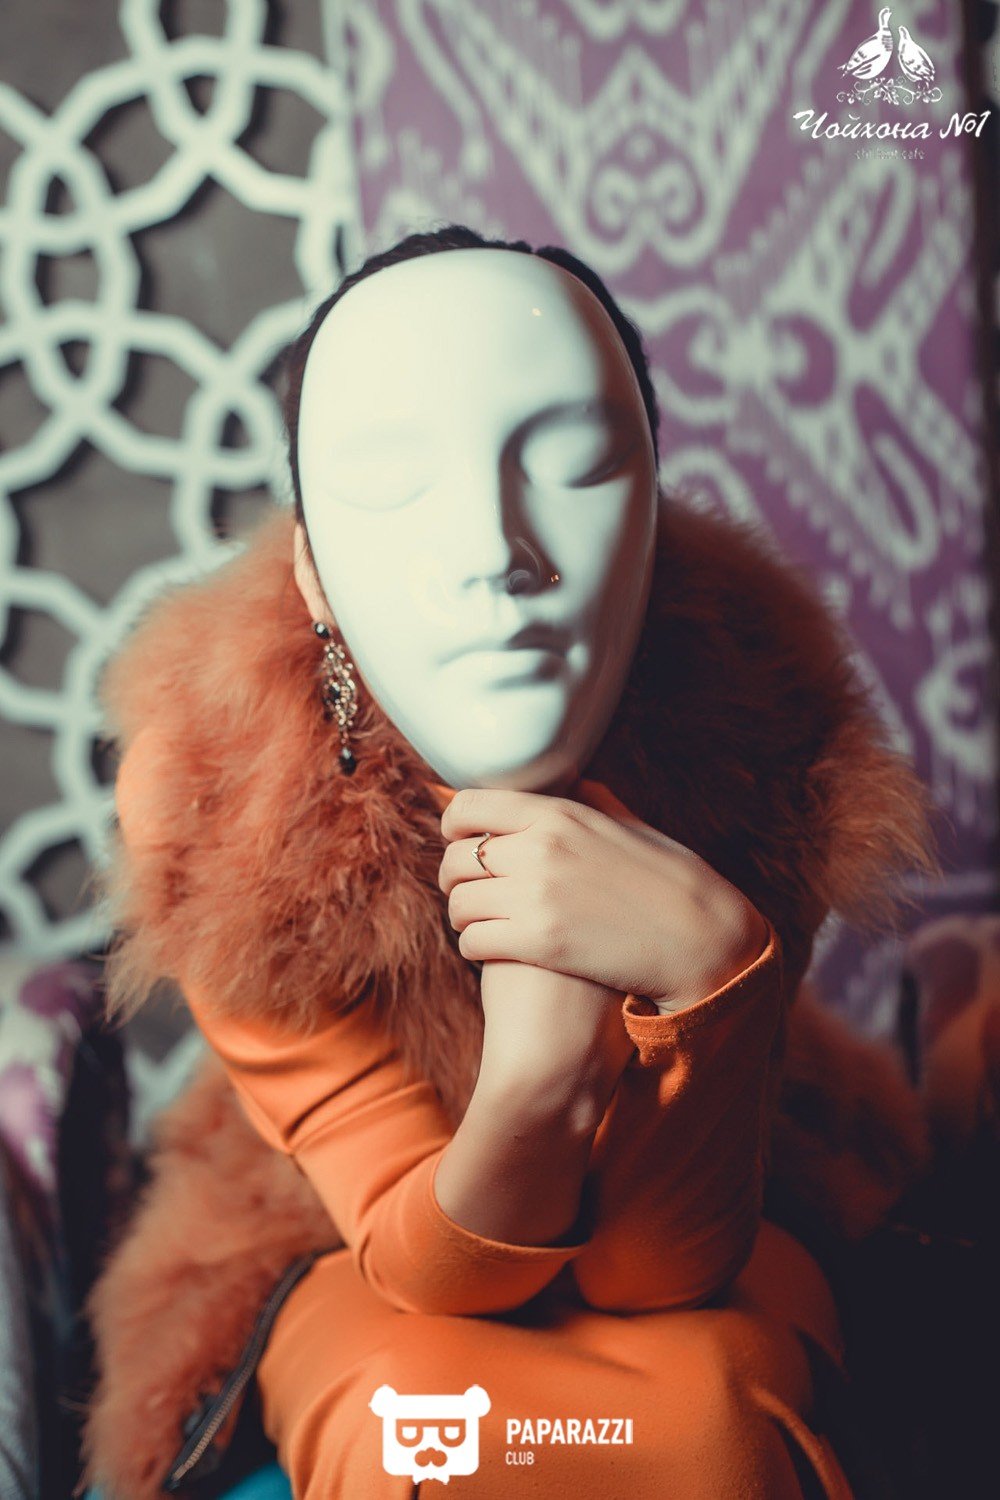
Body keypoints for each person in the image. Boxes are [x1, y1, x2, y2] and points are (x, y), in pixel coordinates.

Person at [82, 226, 937, 1499]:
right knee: (427, 1427)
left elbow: (659, 1269)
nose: (494, 550)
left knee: (706, 1421)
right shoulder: (219, 789)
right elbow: (413, 1255)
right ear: (314, 574)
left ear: (652, 523)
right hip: (325, 1227)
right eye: (391, 480)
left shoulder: (763, 724)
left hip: (735, 1199)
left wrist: (717, 976)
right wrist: (541, 1074)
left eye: (575, 463)